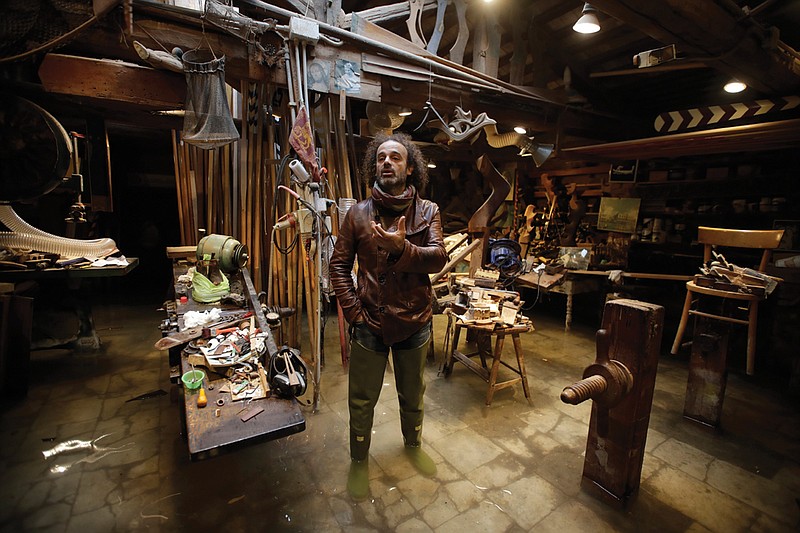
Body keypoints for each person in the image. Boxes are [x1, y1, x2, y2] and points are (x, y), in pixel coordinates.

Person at [329, 132, 448, 500]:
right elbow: (338, 267)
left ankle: (413, 446)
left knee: (412, 393)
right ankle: (359, 461)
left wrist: (403, 249)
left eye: (395, 157)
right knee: (362, 400)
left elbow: (439, 257)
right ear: (373, 165)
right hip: (370, 323)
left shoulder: (428, 211)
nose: (387, 162)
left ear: (409, 167)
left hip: (415, 321)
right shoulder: (357, 214)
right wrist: (354, 314)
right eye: (381, 157)